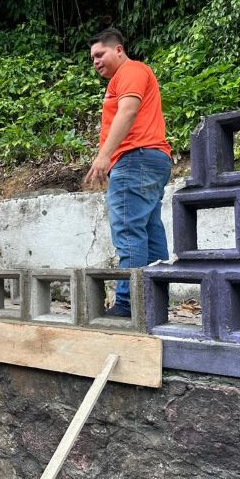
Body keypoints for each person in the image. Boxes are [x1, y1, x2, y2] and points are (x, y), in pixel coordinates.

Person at [84, 28, 172, 317]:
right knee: (149, 229)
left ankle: (128, 306)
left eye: (100, 54)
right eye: (92, 57)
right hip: (152, 158)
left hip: (135, 158)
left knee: (129, 231)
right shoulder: (129, 75)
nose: (96, 61)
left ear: (118, 49)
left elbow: (128, 111)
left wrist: (104, 156)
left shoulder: (130, 71)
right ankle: (155, 306)